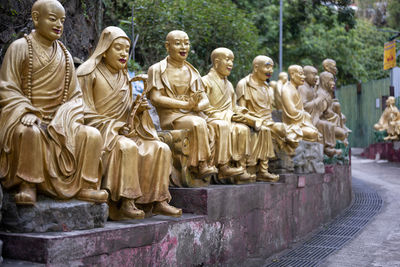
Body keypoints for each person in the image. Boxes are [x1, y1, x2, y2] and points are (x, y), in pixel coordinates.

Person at [0, 0, 108, 205]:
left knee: (92, 135)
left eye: (62, 20)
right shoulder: (20, 48)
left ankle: (86, 186)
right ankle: (28, 185)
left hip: (60, 121)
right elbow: (7, 87)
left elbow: (76, 97)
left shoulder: (65, 55)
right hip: (28, 118)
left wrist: (64, 118)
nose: (59, 24)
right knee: (29, 132)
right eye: (52, 19)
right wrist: (26, 112)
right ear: (35, 18)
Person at [77, 26, 181, 219]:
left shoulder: (125, 76)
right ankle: (126, 202)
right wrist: (115, 126)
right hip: (102, 132)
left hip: (125, 131)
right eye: (118, 48)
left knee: (160, 148)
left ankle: (158, 200)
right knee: (127, 147)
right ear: (105, 48)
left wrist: (138, 110)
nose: (124, 53)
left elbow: (127, 115)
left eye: (127, 49)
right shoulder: (87, 72)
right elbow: (81, 111)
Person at [147, 30, 243, 180]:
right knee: (197, 123)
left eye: (186, 43)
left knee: (222, 125)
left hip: (194, 112)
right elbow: (156, 98)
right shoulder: (157, 69)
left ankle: (222, 166)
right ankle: (201, 164)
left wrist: (198, 106)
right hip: (172, 116)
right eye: (178, 43)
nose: (183, 47)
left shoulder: (192, 71)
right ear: (167, 46)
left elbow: (204, 99)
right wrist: (185, 105)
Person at [202, 47, 254, 182]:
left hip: (227, 118)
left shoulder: (229, 85)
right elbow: (203, 107)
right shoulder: (205, 81)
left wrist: (241, 112)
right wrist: (229, 116)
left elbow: (232, 106)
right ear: (216, 61)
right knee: (224, 125)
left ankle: (240, 167)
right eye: (227, 60)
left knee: (242, 129)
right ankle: (223, 166)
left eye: (232, 60)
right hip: (213, 118)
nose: (231, 64)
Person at [236, 55, 289, 181]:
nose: (270, 71)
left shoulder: (267, 88)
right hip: (251, 121)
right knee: (264, 130)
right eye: (267, 67)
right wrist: (254, 119)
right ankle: (261, 170)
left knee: (284, 130)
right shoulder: (244, 84)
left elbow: (268, 112)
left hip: (267, 121)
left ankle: (272, 167)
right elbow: (241, 110)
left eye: (272, 68)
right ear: (256, 67)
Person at [281, 65, 320, 143]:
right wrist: (306, 115)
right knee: (313, 133)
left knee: (315, 133)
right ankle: (291, 135)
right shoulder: (286, 89)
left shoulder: (296, 89)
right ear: (292, 75)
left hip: (299, 123)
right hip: (291, 124)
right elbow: (292, 111)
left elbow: (301, 109)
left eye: (303, 74)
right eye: (301, 74)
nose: (303, 77)